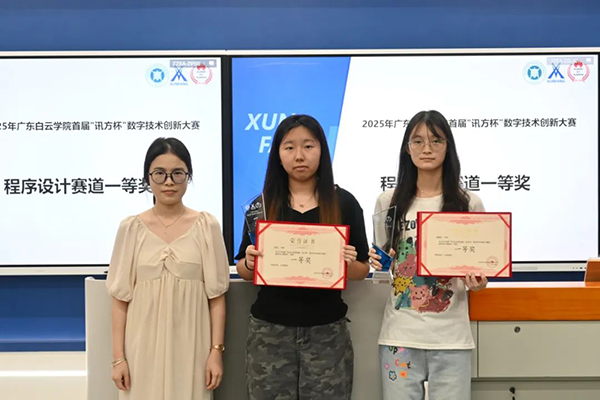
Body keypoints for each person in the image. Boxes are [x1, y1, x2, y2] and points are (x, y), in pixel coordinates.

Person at [236, 114, 369, 400]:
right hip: (270, 333)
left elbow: (362, 270)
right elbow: (244, 270)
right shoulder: (261, 205)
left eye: (308, 146)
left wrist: (347, 264)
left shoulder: (344, 203)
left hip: (326, 333)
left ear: (322, 150)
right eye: (289, 147)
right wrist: (248, 262)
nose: (299, 155)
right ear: (278, 154)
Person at [369, 110, 487, 399]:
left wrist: (478, 282)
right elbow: (384, 266)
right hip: (400, 336)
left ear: (448, 147)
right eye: (418, 141)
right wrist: (379, 262)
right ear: (407, 148)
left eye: (436, 140)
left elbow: (480, 269)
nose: (427, 148)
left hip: (451, 339)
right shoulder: (388, 202)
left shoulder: (468, 203)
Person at [107, 137, 229, 400]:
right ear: (148, 178)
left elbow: (217, 298)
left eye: (177, 173)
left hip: (192, 349)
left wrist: (215, 352)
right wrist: (118, 359)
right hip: (140, 350)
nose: (169, 182)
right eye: (160, 174)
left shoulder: (206, 226)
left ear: (188, 176)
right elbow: (119, 300)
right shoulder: (130, 228)